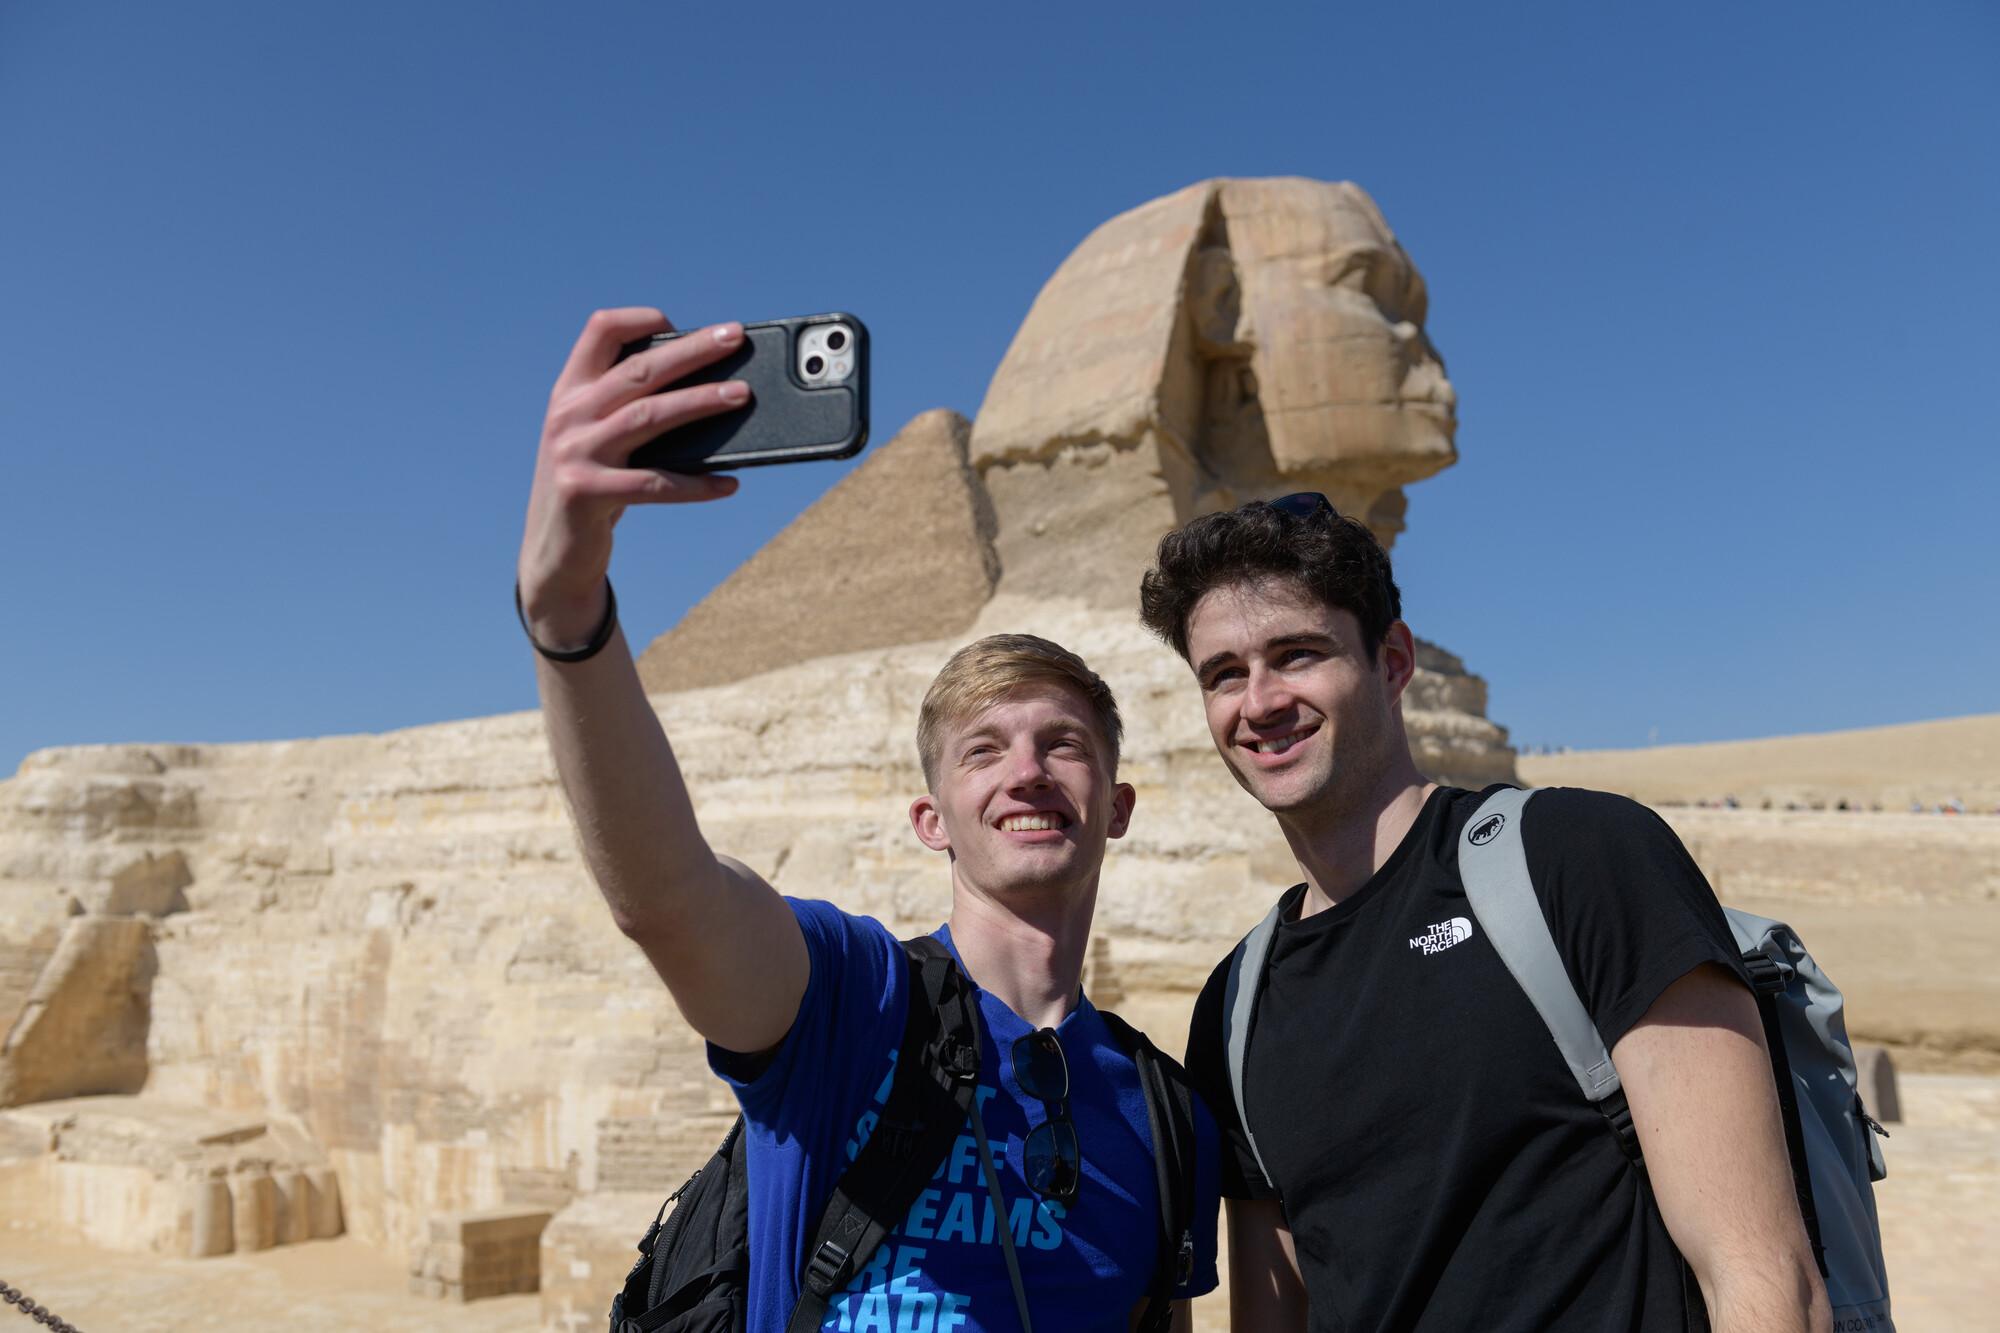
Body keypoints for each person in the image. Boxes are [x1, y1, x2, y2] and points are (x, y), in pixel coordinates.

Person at [516, 307, 1219, 1333]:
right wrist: (566, 612)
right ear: (929, 820)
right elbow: (670, 897)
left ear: (1115, 806)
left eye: (1061, 744)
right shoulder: (849, 1003)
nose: (1024, 771)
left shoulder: (1165, 1114)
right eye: (984, 750)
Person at [1137, 493, 1831, 1332]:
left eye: (1297, 654)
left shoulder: (1580, 862)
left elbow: (1762, 1277)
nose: (1260, 700)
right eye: (1223, 674)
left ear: (1393, 662)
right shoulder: (1237, 1005)